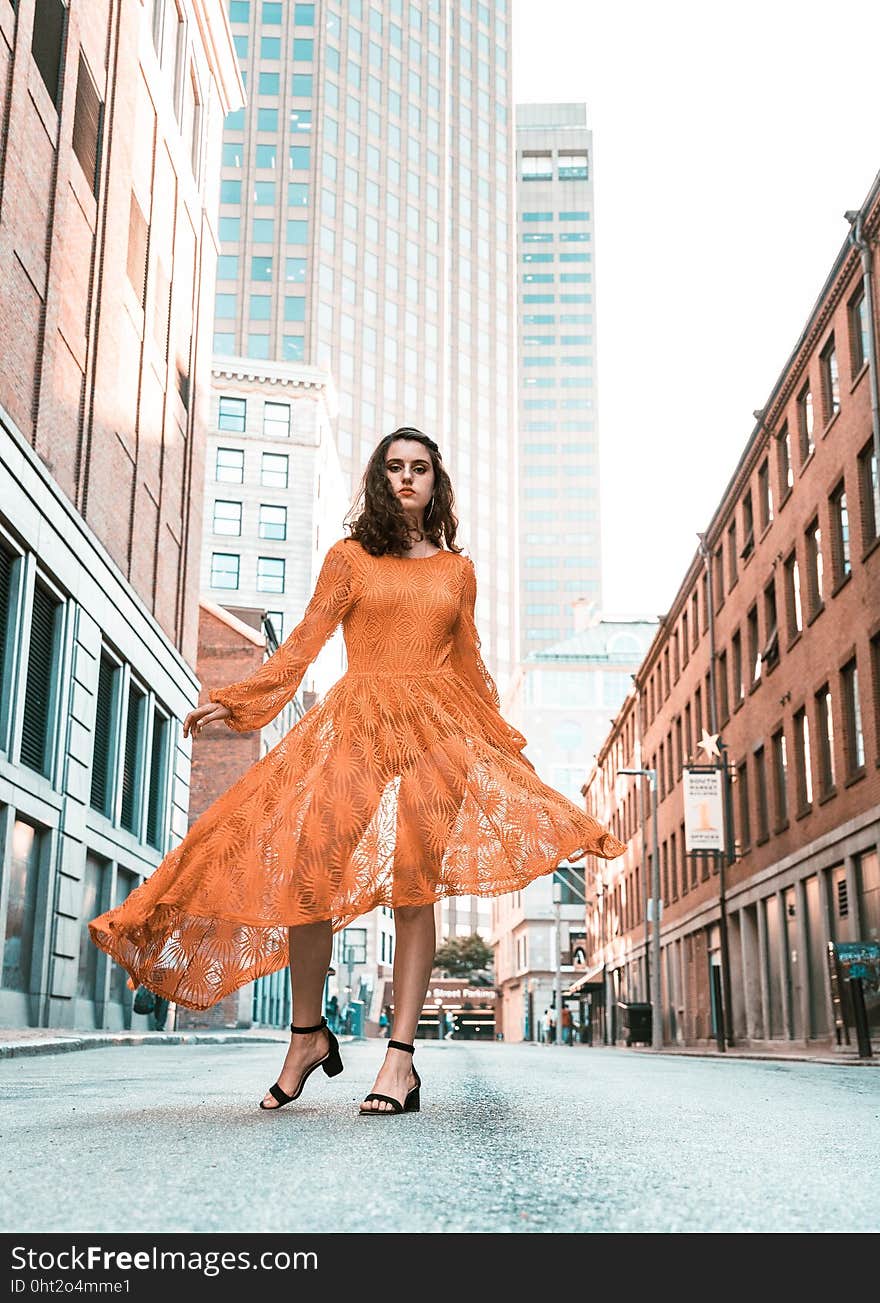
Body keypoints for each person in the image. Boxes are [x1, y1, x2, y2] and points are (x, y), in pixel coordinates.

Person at [88, 428, 626, 1116]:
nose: (407, 478)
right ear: (380, 478)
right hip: (361, 721)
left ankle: (399, 1060)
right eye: (395, 467)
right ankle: (307, 1035)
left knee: (414, 889)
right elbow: (306, 641)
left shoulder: (457, 571)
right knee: (310, 871)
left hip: (440, 733)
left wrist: (501, 747)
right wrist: (237, 703)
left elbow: (469, 665)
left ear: (437, 481)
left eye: (420, 468)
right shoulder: (348, 558)